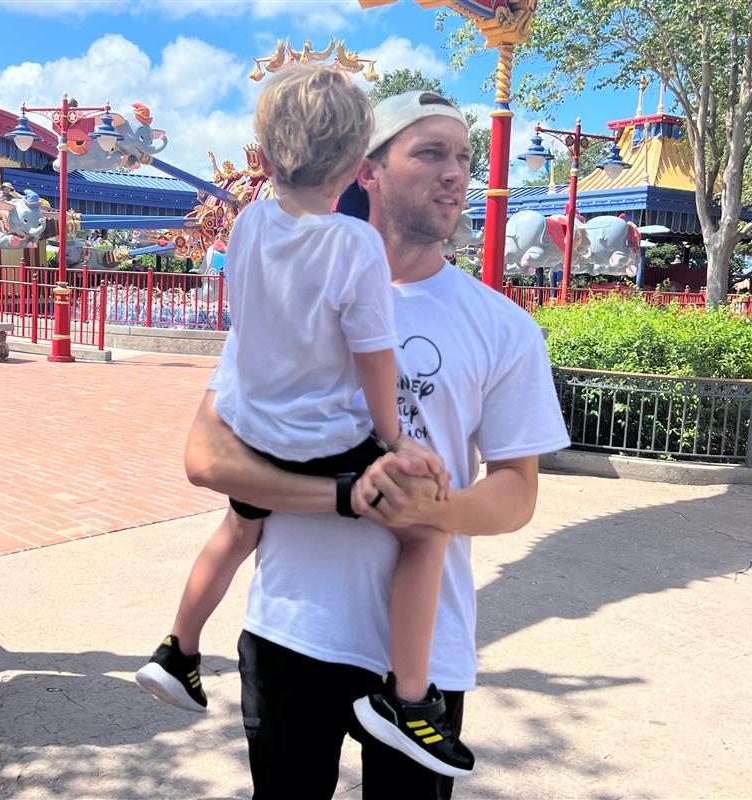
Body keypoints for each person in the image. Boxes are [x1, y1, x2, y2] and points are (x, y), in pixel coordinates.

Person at [178, 89, 571, 798]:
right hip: (292, 630)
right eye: (430, 153)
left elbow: (516, 493)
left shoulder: (503, 327)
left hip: (421, 656)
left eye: (464, 157)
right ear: (367, 170)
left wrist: (429, 510)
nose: (455, 173)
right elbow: (207, 458)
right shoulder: (290, 298)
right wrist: (345, 496)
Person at [135, 67, 472, 776]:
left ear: (261, 158)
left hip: (253, 429)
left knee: (238, 530)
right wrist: (394, 440)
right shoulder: (353, 246)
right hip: (322, 438)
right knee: (427, 531)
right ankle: (408, 700)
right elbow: (375, 358)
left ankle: (178, 650)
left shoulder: (249, 222)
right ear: (354, 170)